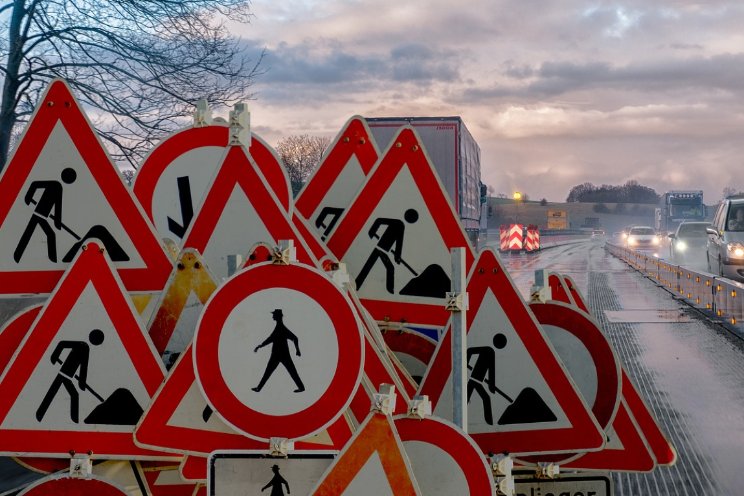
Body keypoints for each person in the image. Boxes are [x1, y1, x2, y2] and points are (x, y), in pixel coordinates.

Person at [36, 329, 104, 423]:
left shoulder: (84, 347)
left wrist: (81, 383)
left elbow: (83, 368)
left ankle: (40, 414)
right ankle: (73, 421)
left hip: (66, 376)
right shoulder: (83, 346)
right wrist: (54, 356)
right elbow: (62, 344)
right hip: (64, 374)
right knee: (68, 394)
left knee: (55, 393)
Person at [14, 167, 77, 263]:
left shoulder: (57, 186)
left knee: (29, 234)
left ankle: (16, 257)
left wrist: (57, 222)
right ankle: (52, 261)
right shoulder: (56, 185)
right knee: (48, 235)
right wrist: (28, 197)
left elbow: (57, 207)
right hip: (38, 214)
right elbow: (35, 184)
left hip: (41, 216)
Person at [355, 209, 418, 294]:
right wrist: (372, 232)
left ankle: (357, 285)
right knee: (389, 268)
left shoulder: (400, 225)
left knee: (369, 266)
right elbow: (379, 220)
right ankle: (390, 292)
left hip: (381, 249)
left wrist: (397, 257)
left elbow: (399, 243)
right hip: (380, 249)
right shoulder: (399, 224)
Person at [252, 309, 304, 393]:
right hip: (278, 355)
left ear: (277, 316)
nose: (272, 316)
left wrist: (297, 350)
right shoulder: (279, 327)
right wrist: (260, 346)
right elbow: (270, 339)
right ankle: (258, 388)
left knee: (271, 372)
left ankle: (258, 388)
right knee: (270, 372)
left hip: (280, 355)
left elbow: (295, 338)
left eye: (274, 315)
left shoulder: (281, 328)